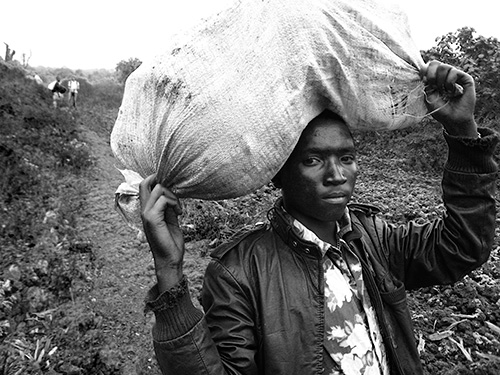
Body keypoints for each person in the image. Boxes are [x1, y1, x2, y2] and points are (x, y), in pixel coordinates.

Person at [138, 61, 498, 375]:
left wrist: (462, 129)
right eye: (313, 160)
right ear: (278, 173)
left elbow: (462, 246)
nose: (336, 174)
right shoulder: (240, 272)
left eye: (346, 158)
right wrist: (169, 271)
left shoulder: (374, 239)